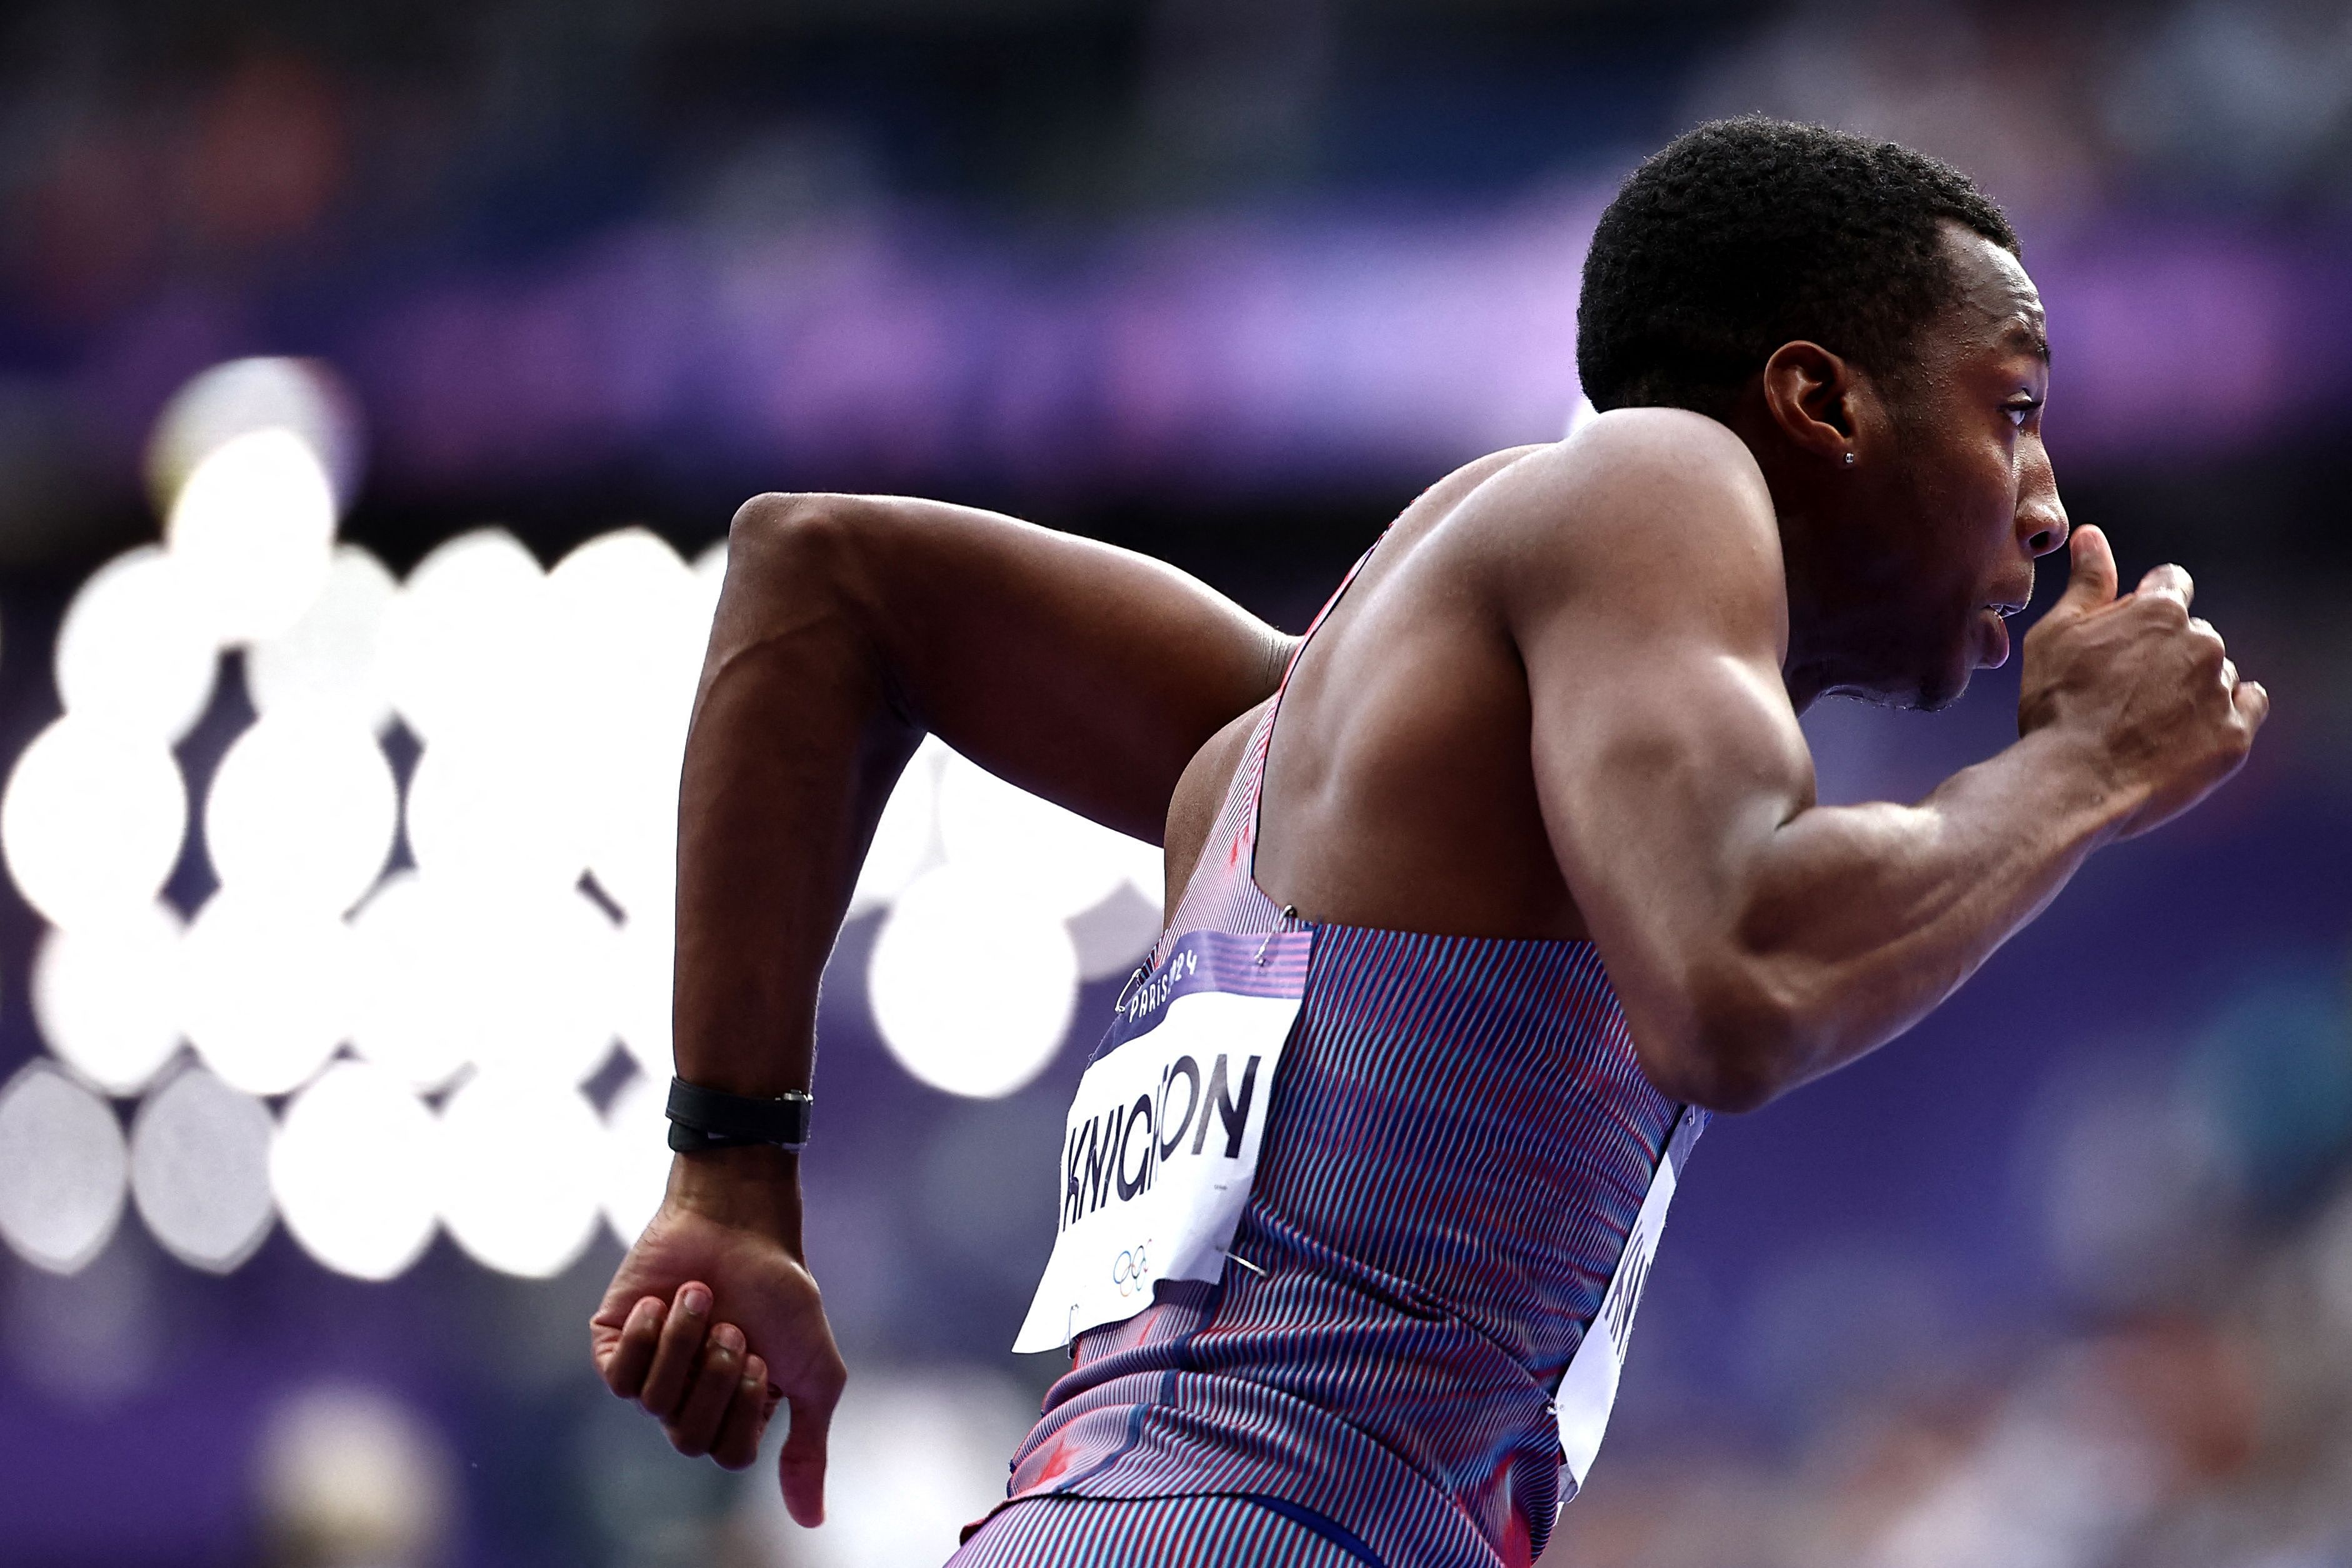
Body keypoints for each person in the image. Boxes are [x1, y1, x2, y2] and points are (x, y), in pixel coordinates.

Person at [586, 118, 2266, 1567]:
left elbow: (828, 581)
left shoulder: (1285, 750)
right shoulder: (1654, 478)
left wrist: (727, 1173)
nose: (2045, 502)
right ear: (1815, 399)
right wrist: (2084, 768)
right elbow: (1734, 975)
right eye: (2014, 406)